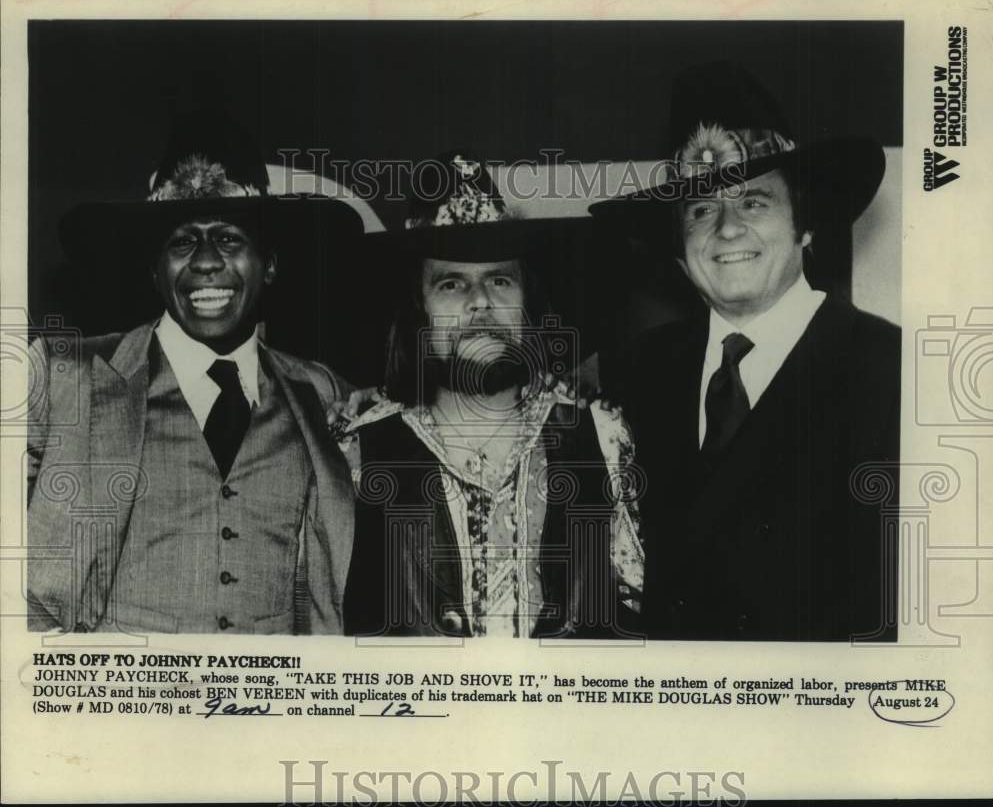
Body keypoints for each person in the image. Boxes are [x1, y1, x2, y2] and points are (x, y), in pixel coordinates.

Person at [591, 62, 900, 641]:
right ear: (680, 251)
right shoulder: (641, 371)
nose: (727, 229)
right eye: (702, 209)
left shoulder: (890, 371)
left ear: (808, 226)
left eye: (754, 202)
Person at [26, 117, 362, 634]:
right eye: (182, 242)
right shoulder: (65, 377)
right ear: (154, 269)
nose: (206, 262)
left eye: (229, 238)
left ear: (269, 265)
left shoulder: (322, 395)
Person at [339, 152, 643, 638]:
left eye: (500, 279)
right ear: (419, 311)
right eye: (451, 283)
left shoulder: (600, 438)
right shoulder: (356, 454)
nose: (480, 302)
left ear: (528, 303)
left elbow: (639, 620)